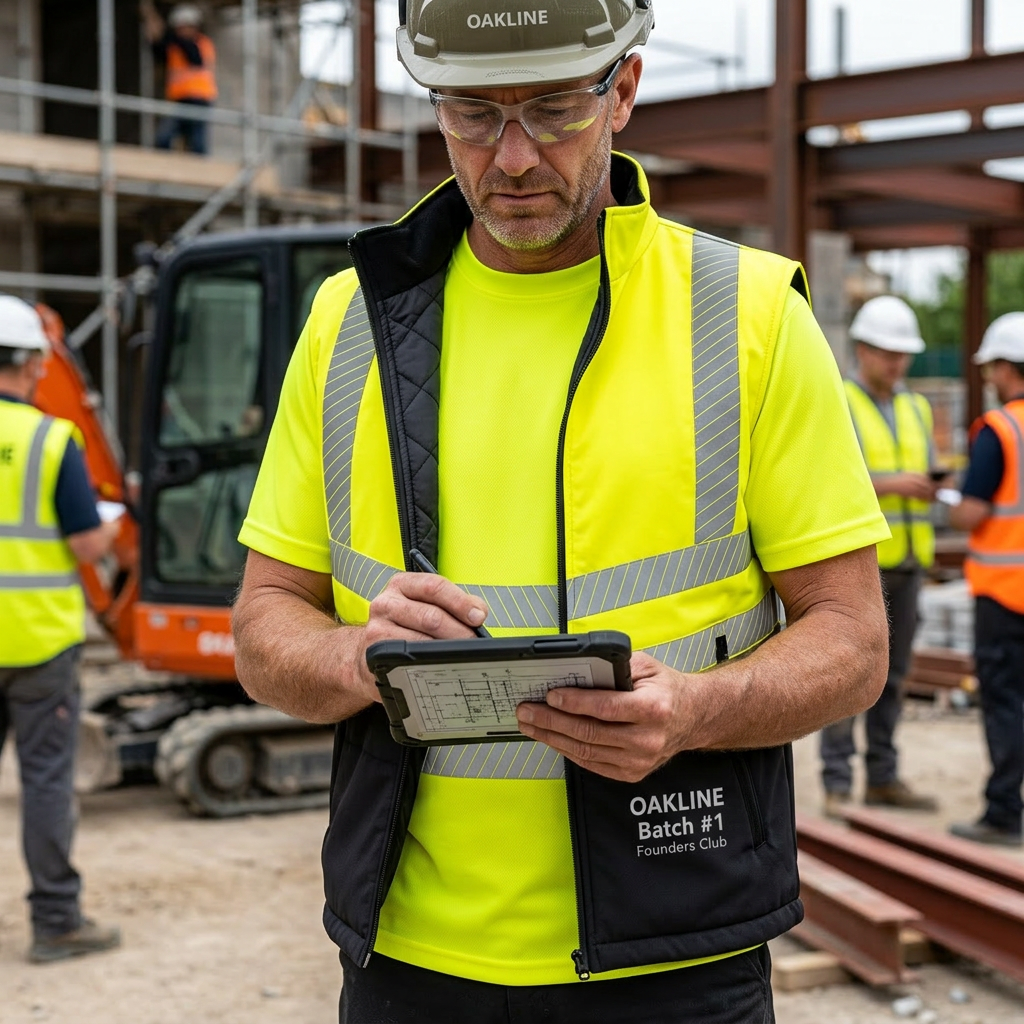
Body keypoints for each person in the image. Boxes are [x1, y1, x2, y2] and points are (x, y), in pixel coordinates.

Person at [231, 4, 890, 1022]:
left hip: (671, 951)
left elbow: (853, 641)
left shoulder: (748, 315)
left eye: (551, 111)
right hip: (409, 958)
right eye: (472, 114)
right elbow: (262, 624)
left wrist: (697, 710)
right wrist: (357, 658)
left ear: (623, 90)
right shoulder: (347, 323)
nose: (512, 157)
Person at [0, 295, 121, 963]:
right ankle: (56, 922)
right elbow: (85, 545)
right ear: (30, 364)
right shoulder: (50, 440)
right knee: (45, 782)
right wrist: (107, 526)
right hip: (38, 645)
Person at [820, 296, 940, 818]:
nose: (898, 363)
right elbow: (828, 477)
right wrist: (893, 484)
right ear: (863, 350)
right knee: (847, 673)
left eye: (903, 354)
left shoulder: (917, 407)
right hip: (861, 562)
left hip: (909, 560)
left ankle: (883, 777)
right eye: (889, 353)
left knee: (897, 674)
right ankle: (837, 781)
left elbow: (927, 468)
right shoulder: (840, 401)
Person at [949, 313, 1024, 848]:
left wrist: (953, 503)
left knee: (1004, 702)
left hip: (1004, 592)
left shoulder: (999, 430)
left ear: (1004, 367)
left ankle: (1003, 812)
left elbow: (972, 512)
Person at [140, 1, 217, 155]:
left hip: (199, 98)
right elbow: (159, 48)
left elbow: (194, 57)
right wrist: (150, 19)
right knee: (164, 138)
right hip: (179, 99)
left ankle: (199, 166)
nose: (182, 31)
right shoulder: (174, 47)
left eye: (185, 27)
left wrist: (167, 34)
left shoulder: (201, 43)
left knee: (197, 141)